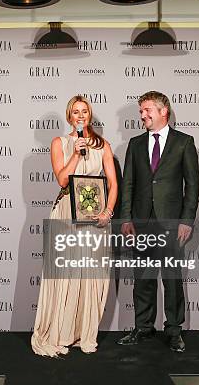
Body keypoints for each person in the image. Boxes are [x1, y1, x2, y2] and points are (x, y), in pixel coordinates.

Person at [31, 95, 118, 356]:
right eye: (75, 112)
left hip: (95, 217)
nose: (80, 116)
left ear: (89, 115)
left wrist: (108, 211)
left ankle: (85, 332)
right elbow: (62, 180)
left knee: (90, 276)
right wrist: (77, 154)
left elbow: (113, 184)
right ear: (70, 117)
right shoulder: (59, 143)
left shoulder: (103, 145)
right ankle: (59, 332)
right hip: (66, 215)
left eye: (85, 111)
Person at [118, 91, 199, 353]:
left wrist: (187, 220)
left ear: (163, 111)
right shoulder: (135, 144)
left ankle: (174, 331)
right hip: (142, 223)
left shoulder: (184, 143)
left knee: (173, 280)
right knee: (142, 279)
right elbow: (128, 183)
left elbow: (192, 186)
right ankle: (142, 327)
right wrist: (127, 219)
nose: (142, 115)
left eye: (147, 110)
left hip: (172, 224)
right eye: (141, 111)